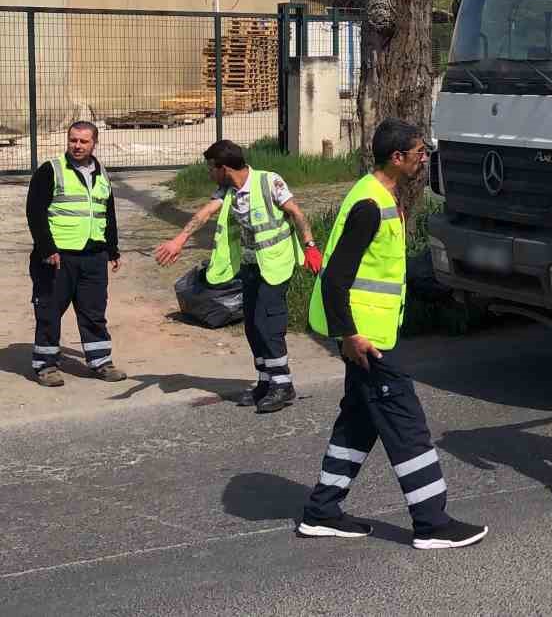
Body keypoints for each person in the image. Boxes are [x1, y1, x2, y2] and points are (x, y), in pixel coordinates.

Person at [297, 118, 486, 550]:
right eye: (420, 152)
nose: (425, 158)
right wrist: (349, 335)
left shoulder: (382, 196)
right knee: (407, 424)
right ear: (397, 157)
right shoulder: (369, 204)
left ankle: (322, 512)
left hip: (373, 335)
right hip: (367, 342)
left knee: (358, 423)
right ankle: (432, 523)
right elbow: (334, 278)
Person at [154, 140, 321, 413]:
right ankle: (266, 383)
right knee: (252, 325)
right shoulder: (228, 189)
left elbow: (296, 212)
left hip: (277, 264)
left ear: (224, 168)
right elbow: (205, 213)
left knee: (269, 322)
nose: (209, 173)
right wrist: (179, 240)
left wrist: (310, 246)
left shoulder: (269, 181)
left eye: (211, 168)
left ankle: (283, 384)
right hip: (250, 266)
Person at [25, 122, 126, 386]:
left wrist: (112, 249)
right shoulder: (51, 170)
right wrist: (46, 248)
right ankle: (46, 366)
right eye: (73, 140)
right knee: (49, 311)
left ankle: (100, 361)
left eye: (83, 141)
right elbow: (35, 212)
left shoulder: (101, 172)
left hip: (93, 256)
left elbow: (108, 213)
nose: (77, 146)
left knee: (94, 311)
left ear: (94, 143)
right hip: (58, 258)